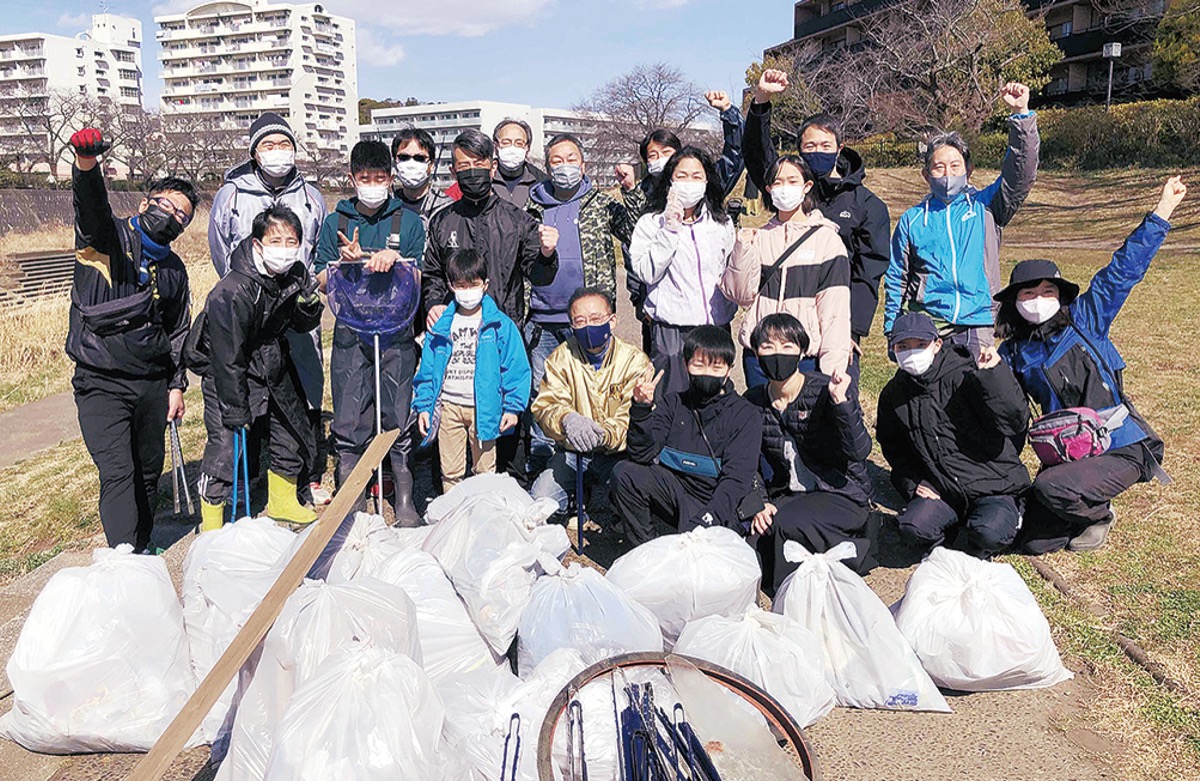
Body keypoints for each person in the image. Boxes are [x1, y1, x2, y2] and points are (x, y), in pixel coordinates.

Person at [997, 177, 1186, 553]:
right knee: (1034, 542)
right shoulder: (1013, 352)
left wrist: (1163, 209)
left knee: (1051, 488)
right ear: (1014, 301)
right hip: (1069, 452)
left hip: (1120, 446)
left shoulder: (1087, 319)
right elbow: (1003, 413)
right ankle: (1073, 507)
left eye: (1047, 291)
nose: (1038, 299)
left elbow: (1123, 270)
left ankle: (1098, 513)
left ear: (1061, 295)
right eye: (1028, 293)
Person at [66, 127, 196, 552]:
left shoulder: (175, 269)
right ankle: (125, 557)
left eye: (183, 216)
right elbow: (91, 207)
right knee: (118, 470)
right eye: (166, 206)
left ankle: (142, 549)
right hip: (100, 381)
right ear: (144, 203)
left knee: (146, 470)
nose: (172, 216)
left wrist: (176, 384)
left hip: (152, 384)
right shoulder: (105, 241)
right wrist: (87, 165)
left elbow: (177, 331)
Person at [423, 128, 559, 484]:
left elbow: (538, 274)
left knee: (505, 416)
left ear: (492, 167)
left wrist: (547, 253)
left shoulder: (517, 220)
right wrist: (434, 304)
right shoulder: (443, 221)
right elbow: (433, 273)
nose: (470, 172)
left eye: (477, 164)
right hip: (456, 340)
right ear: (453, 173)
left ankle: (509, 489)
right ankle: (451, 498)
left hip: (502, 332)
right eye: (462, 166)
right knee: (455, 416)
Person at [208, 112, 330, 506]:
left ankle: (305, 475)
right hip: (251, 312)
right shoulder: (233, 194)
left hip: (297, 310)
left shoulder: (311, 196)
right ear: (254, 152)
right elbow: (219, 249)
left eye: (284, 145)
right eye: (268, 145)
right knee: (250, 389)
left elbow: (315, 250)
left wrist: (304, 293)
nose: (278, 153)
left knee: (305, 388)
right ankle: (247, 480)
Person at [188, 205, 324, 529]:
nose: (285, 248)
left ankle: (283, 500)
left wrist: (310, 307)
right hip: (227, 366)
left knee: (291, 426)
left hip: (271, 358)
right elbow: (227, 357)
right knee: (226, 442)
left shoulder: (295, 272)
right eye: (275, 240)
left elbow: (300, 322)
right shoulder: (232, 291)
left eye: (291, 240)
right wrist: (235, 407)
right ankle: (211, 520)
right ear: (257, 243)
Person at [744, 69, 892, 363]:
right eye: (809, 147)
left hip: (835, 322)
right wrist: (761, 102)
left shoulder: (868, 205)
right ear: (799, 149)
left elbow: (868, 275)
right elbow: (759, 156)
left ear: (840, 147)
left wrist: (852, 331)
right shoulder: (790, 190)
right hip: (783, 325)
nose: (818, 152)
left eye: (825, 146)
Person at [314, 140, 427, 524]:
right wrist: (343, 265)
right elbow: (319, 280)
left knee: (397, 411)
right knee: (349, 415)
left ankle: (405, 500)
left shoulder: (409, 221)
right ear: (352, 178)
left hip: (396, 332)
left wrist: (396, 260)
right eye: (365, 178)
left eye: (380, 178)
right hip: (350, 333)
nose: (373, 184)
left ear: (391, 178)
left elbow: (419, 275)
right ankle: (353, 503)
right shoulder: (336, 222)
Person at [883, 83, 1039, 356]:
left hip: (978, 323)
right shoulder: (913, 219)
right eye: (938, 167)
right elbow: (897, 277)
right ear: (926, 175)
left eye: (955, 166)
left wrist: (1021, 115)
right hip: (928, 326)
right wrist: (893, 330)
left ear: (969, 170)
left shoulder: (987, 205)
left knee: (975, 394)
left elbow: (1020, 175)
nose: (947, 173)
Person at [876, 312, 1031, 558]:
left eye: (920, 345)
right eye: (903, 346)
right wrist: (912, 481)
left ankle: (1011, 513)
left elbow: (1014, 420)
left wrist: (995, 375)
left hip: (993, 485)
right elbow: (893, 449)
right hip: (943, 490)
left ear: (937, 345)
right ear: (893, 349)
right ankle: (952, 530)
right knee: (913, 527)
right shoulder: (893, 394)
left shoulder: (967, 374)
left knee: (989, 533)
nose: (912, 353)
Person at [524, 133, 636, 474]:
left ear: (583, 165)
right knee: (542, 392)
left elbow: (635, 230)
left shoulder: (600, 203)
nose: (564, 166)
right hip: (543, 317)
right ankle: (543, 466)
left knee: (591, 390)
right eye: (556, 161)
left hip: (590, 321)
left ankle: (591, 466)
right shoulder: (532, 208)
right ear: (547, 167)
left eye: (571, 159)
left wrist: (631, 191)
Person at [743, 314, 874, 591]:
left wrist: (842, 404)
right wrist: (759, 501)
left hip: (840, 493)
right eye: (768, 347)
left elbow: (859, 450)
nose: (778, 354)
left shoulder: (824, 390)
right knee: (754, 538)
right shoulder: (753, 401)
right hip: (790, 495)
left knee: (787, 523)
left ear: (802, 351)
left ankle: (856, 547)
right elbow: (747, 460)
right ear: (755, 353)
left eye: (787, 347)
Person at [616, 91, 745, 353]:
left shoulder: (715, 214)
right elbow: (632, 254)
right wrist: (641, 302)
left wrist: (729, 114)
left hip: (712, 320)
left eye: (666, 152)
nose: (660, 159)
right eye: (652, 155)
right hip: (664, 318)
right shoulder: (646, 204)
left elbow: (734, 157)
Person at [610, 326, 762, 547]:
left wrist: (704, 521)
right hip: (678, 492)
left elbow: (736, 481)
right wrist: (641, 409)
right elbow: (641, 455)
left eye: (716, 366)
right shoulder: (673, 404)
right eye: (698, 365)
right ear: (685, 365)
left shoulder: (745, 415)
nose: (706, 372)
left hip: (717, 502)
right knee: (625, 473)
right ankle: (646, 550)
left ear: (729, 370)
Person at [720, 153, 853, 390]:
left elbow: (835, 312)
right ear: (769, 189)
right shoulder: (759, 237)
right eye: (778, 182)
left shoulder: (827, 241)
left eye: (792, 181)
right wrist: (741, 249)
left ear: (806, 186)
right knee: (761, 421)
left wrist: (834, 369)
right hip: (760, 353)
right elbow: (740, 295)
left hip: (804, 357)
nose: (785, 188)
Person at [413, 249, 531, 491]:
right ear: (450, 285)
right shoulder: (441, 326)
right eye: (461, 285)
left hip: (484, 409)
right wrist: (424, 406)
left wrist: (513, 407)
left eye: (473, 285)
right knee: (451, 472)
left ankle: (482, 520)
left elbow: (516, 369)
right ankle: (454, 521)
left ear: (485, 284)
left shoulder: (501, 325)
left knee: (485, 471)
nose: (467, 292)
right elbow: (426, 371)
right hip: (449, 408)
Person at [529, 286, 651, 517]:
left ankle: (617, 507)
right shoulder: (561, 358)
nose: (588, 326)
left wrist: (604, 433)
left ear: (612, 320)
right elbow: (545, 405)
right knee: (541, 497)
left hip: (617, 454)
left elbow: (632, 415)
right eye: (580, 321)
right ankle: (575, 498)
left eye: (596, 319)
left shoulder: (634, 360)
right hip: (573, 453)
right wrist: (566, 419)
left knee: (632, 489)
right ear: (571, 325)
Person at [627, 146, 736, 397]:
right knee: (672, 404)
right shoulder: (651, 222)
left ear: (707, 181)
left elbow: (729, 270)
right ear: (670, 180)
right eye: (682, 176)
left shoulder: (721, 223)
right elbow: (646, 273)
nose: (689, 183)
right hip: (671, 331)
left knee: (714, 402)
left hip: (715, 327)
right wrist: (670, 228)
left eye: (697, 176)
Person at [391, 126, 453, 225]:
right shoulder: (385, 206)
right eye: (403, 157)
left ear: (432, 165)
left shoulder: (447, 207)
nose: (411, 163)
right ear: (395, 162)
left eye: (419, 158)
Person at [491, 118, 547, 207]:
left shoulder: (541, 183)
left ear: (527, 148)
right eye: (506, 143)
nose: (512, 148)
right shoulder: (484, 179)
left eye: (519, 143)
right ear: (495, 146)